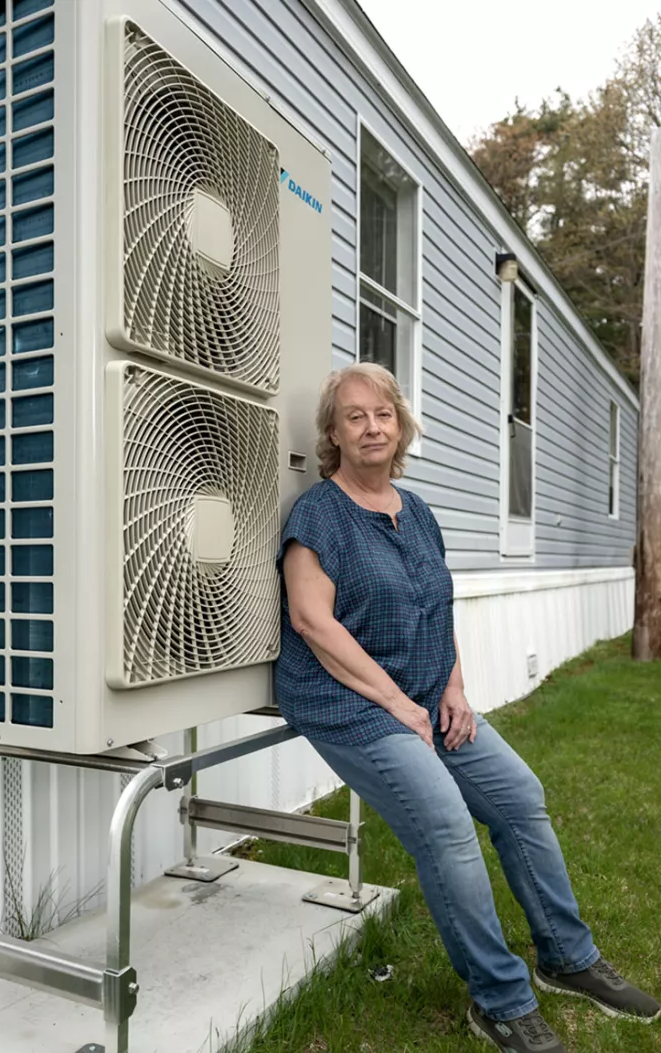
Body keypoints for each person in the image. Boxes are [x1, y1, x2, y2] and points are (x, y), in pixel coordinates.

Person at [275, 362, 659, 1052]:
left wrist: (451, 688)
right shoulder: (318, 516)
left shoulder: (415, 510)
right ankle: (501, 1001)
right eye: (355, 415)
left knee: (520, 795)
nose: (372, 426)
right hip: (347, 703)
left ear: (401, 426)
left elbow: (435, 604)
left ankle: (566, 957)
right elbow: (313, 623)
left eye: (383, 413)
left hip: (424, 697)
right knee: (448, 827)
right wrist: (399, 703)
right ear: (333, 431)